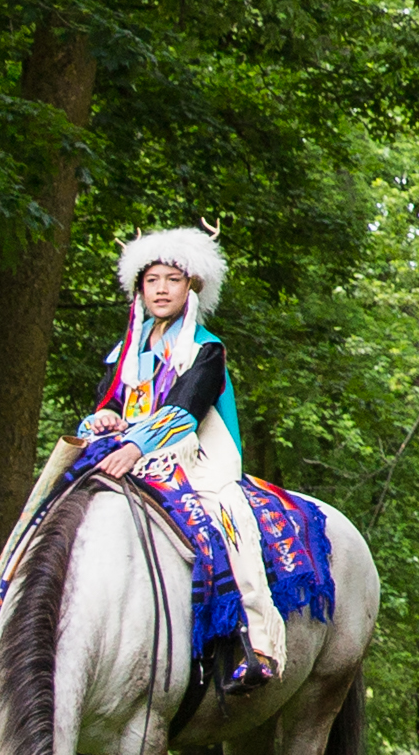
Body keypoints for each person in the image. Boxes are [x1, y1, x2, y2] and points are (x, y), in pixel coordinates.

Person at [76, 228, 283, 686]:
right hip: (125, 451)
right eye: (152, 280)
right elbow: (107, 399)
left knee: (229, 514)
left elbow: (183, 411)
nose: (162, 289)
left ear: (191, 286)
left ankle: (258, 641)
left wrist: (134, 447)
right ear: (140, 288)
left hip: (195, 455)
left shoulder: (207, 349)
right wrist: (106, 418)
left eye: (172, 279)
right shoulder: (126, 349)